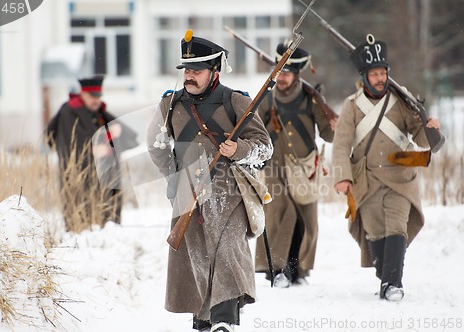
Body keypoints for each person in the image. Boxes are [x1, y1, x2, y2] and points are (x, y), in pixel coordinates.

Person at [147, 30, 272, 332]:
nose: (189, 76)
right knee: (197, 262)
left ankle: (224, 323)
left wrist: (239, 149)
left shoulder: (236, 101)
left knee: (228, 254)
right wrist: (174, 177)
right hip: (188, 197)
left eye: (196, 70)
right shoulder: (170, 105)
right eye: (187, 70)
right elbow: (156, 145)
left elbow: (264, 147)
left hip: (230, 195)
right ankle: (205, 323)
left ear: (214, 71)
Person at [332, 35, 441, 301]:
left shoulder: (402, 101)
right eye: (375, 74)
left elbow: (421, 137)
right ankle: (386, 274)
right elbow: (341, 144)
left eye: (383, 73)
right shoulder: (351, 106)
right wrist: (342, 177)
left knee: (397, 228)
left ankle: (393, 283)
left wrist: (431, 129)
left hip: (400, 177)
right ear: (365, 76)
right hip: (366, 179)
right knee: (376, 233)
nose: (380, 78)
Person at [254, 42, 336, 287]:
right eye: (279, 73)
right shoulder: (267, 99)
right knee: (282, 213)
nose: (281, 78)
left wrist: (333, 124)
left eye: (287, 73)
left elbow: (328, 135)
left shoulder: (312, 99)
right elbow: (255, 131)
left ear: (297, 74)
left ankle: (297, 269)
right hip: (275, 167)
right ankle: (278, 270)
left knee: (305, 220)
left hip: (304, 169)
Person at [46, 76, 137, 231]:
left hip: (105, 173)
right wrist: (93, 150)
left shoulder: (100, 112)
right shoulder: (69, 111)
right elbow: (68, 143)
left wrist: (115, 133)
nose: (96, 100)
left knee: (107, 213)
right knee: (82, 213)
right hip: (80, 173)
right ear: (82, 94)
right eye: (92, 96)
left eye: (98, 96)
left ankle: (109, 231)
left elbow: (122, 136)